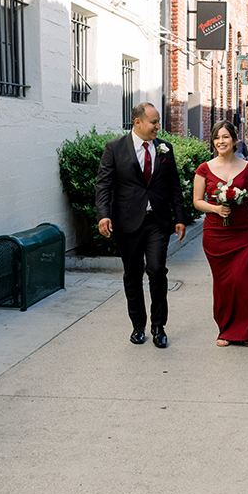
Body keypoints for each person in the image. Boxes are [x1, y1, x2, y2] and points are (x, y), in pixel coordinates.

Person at [96, 102, 186, 348]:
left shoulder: (165, 149)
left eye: (158, 122)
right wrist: (103, 215)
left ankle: (159, 326)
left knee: (157, 271)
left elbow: (174, 186)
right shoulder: (115, 148)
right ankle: (138, 325)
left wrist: (179, 217)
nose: (158, 126)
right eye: (154, 122)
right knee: (132, 275)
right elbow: (103, 184)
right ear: (138, 123)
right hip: (127, 223)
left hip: (157, 221)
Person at [193, 121, 248, 346]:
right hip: (216, 235)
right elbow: (197, 201)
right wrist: (216, 208)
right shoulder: (204, 169)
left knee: (245, 282)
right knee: (224, 283)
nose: (221, 141)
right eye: (217, 137)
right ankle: (225, 330)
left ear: (235, 140)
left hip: (242, 232)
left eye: (225, 137)